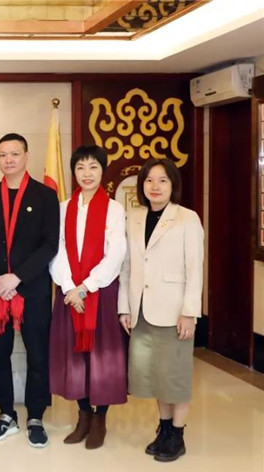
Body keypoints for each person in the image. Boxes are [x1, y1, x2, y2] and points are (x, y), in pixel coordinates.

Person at [118, 158, 203, 463]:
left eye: (162, 180)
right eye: (149, 180)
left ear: (173, 185)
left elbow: (195, 268)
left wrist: (189, 311)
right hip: (142, 310)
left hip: (173, 310)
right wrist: (125, 307)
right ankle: (164, 429)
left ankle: (177, 435)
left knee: (175, 376)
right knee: (156, 376)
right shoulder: (134, 217)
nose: (155, 186)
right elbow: (127, 267)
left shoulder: (187, 218)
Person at [0, 133, 59, 448]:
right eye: (3, 154)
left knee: (38, 355)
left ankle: (35, 417)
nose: (8, 159)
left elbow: (50, 244)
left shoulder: (45, 195)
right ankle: (6, 415)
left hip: (32, 290)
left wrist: (18, 278)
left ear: (26, 156)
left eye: (14, 153)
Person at [48, 145, 127, 449]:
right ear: (74, 172)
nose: (87, 173)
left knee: (102, 356)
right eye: (80, 167)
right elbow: (56, 250)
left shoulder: (114, 209)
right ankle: (83, 416)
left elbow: (116, 253)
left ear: (102, 170)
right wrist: (70, 287)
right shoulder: (63, 208)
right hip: (69, 294)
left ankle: (100, 419)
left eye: (93, 167)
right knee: (74, 356)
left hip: (101, 293)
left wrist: (86, 287)